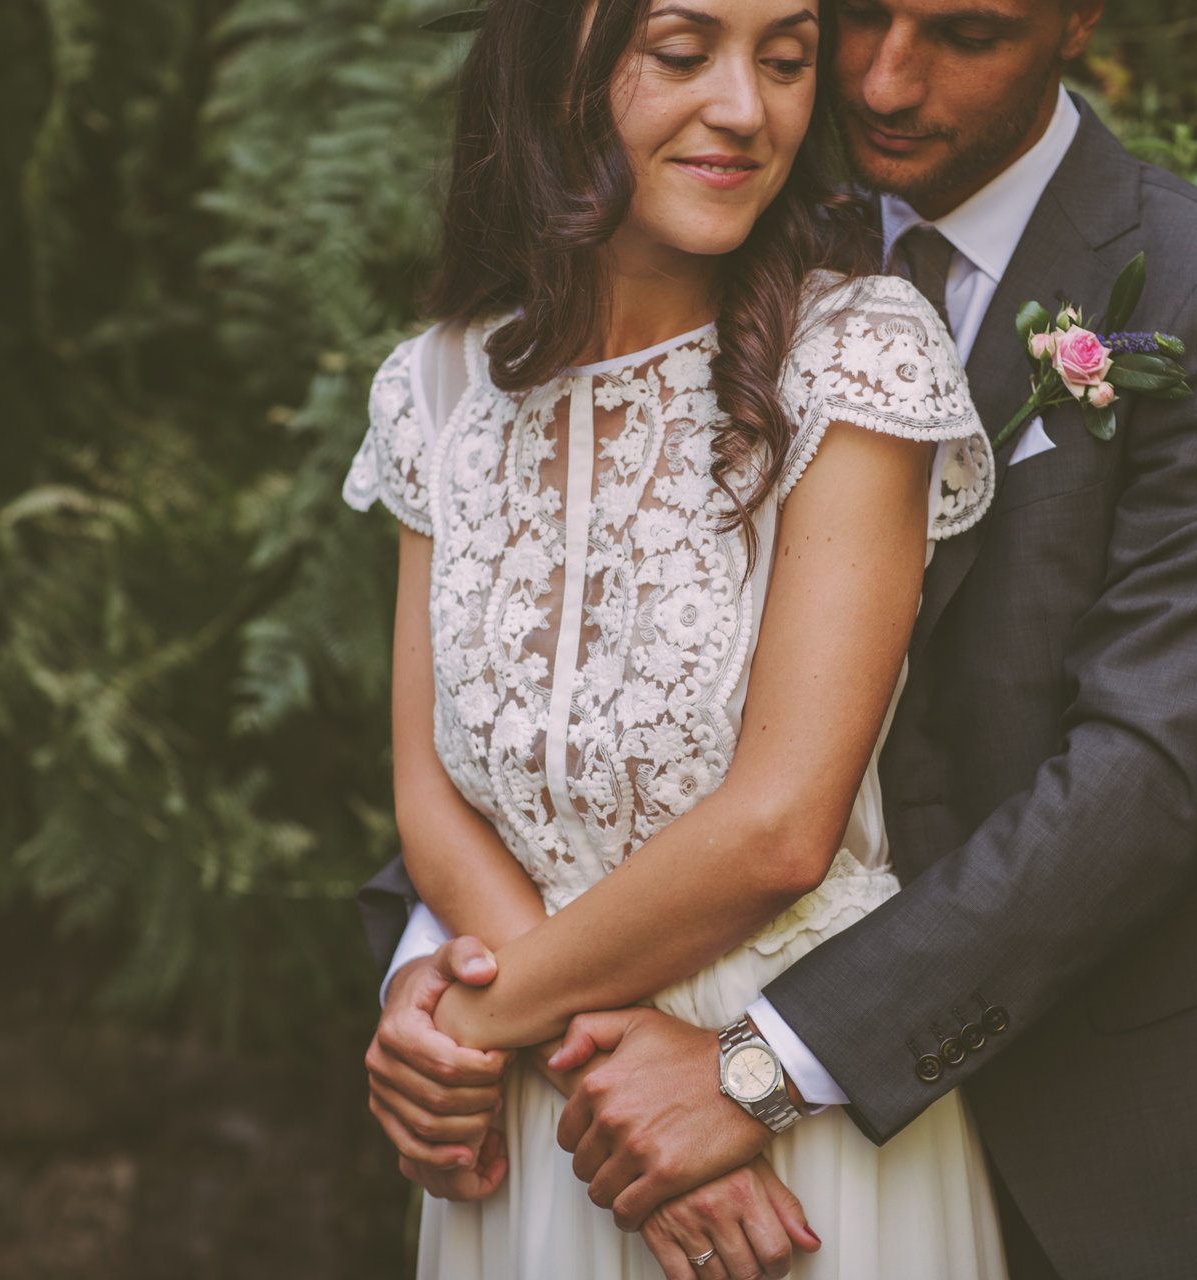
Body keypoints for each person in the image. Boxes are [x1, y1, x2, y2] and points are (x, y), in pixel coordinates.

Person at [363, 0, 1197, 1277]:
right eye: (855, 19)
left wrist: (749, 1067)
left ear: (1076, 20)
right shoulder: (717, 212)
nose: (884, 80)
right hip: (619, 1107)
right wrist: (450, 989)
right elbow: (546, 681)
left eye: (964, 32)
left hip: (1095, 1134)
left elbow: (1150, 772)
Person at [345, 0, 1012, 1274]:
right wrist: (590, 1081)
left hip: (770, 1097)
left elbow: (778, 826)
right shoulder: (432, 387)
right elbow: (430, 796)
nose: (746, 111)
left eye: (784, 59)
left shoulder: (856, 356)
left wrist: (475, 1016)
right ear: (555, 75)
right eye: (681, 52)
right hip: (542, 1123)